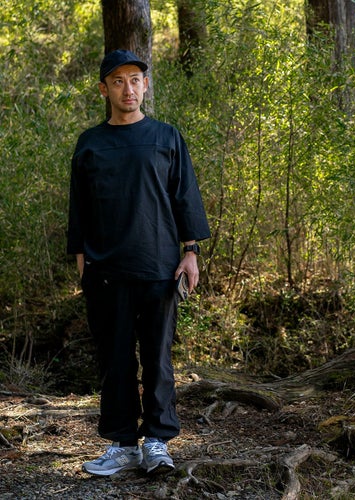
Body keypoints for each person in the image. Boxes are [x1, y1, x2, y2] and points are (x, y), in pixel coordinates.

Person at [67, 49, 210, 476]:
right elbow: (79, 207)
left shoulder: (167, 137)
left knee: (158, 358)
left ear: (145, 85)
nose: (127, 89)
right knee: (115, 360)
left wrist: (191, 252)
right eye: (118, 81)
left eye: (134, 80)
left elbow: (185, 195)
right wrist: (81, 259)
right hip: (106, 270)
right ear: (104, 89)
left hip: (159, 266)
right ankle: (123, 444)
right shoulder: (90, 143)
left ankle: (157, 442)